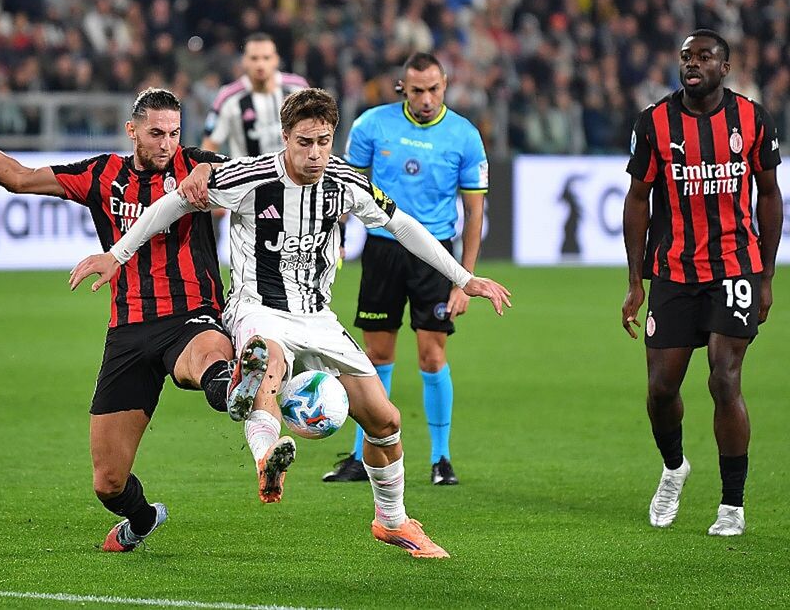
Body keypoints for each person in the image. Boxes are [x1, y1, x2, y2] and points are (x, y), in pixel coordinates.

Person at [73, 89, 511, 558]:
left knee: (385, 420)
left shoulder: (345, 182)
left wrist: (465, 278)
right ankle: (267, 455)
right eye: (305, 142)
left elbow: (403, 225)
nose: (315, 153)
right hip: (256, 306)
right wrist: (116, 255)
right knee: (267, 359)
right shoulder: (249, 176)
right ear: (285, 137)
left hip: (317, 316)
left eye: (324, 141)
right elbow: (172, 204)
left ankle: (393, 520)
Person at [0, 88, 267, 553]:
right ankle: (143, 518)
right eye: (155, 133)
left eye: (173, 133)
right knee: (108, 482)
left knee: (208, 358)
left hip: (193, 314)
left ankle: (233, 388)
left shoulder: (197, 165)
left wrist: (210, 168)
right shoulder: (102, 175)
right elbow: (19, 178)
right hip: (128, 331)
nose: (167, 144)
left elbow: (256, 173)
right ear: (132, 131)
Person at [622, 29, 782, 537]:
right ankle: (674, 468)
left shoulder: (752, 118)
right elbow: (637, 198)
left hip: (734, 266)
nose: (693, 64)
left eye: (705, 57)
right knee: (661, 388)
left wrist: (767, 275)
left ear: (725, 67)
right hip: (672, 270)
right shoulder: (653, 122)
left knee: (724, 377)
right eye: (687, 57)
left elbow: (771, 195)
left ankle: (731, 506)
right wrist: (635, 281)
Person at [322, 51, 488, 486]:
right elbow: (344, 190)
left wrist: (463, 279)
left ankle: (441, 458)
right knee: (375, 356)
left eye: (434, 89)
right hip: (381, 250)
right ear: (403, 88)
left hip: (435, 255)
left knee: (432, 356)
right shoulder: (371, 126)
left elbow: (474, 215)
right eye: (417, 90)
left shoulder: (465, 136)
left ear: (445, 85)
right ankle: (361, 456)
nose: (427, 98)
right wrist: (334, 238)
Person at [200, 32, 308, 159]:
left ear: (276, 60)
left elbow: (317, 133)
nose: (260, 65)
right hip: (248, 177)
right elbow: (209, 145)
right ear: (244, 61)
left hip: (294, 177)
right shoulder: (228, 97)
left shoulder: (298, 89)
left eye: (266, 58)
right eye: (254, 58)